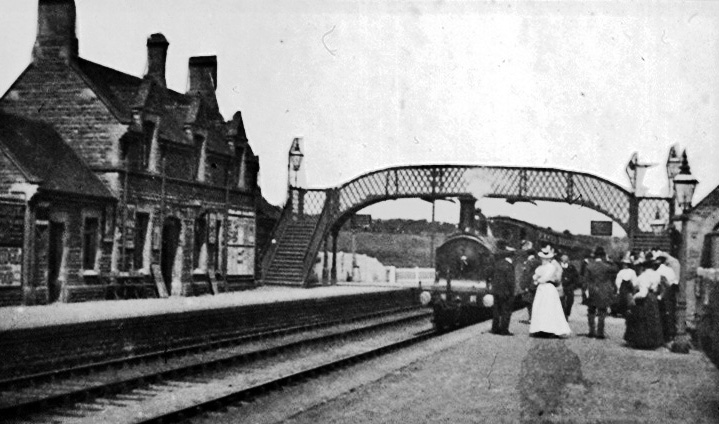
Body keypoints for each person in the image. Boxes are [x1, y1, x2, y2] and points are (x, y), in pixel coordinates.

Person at [529, 245, 571, 337]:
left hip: (548, 288)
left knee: (549, 308)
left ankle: (550, 329)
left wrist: (537, 281)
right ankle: (540, 328)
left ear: (548, 259)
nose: (543, 260)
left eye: (545, 258)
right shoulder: (540, 267)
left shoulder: (551, 267)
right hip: (542, 289)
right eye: (542, 258)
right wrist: (537, 279)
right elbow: (534, 276)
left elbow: (544, 278)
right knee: (540, 307)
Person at [624, 258, 664, 349]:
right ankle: (654, 341)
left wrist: (634, 297)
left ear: (643, 267)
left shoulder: (644, 276)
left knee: (642, 320)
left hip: (645, 300)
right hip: (653, 297)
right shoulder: (656, 275)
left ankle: (643, 342)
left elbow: (643, 293)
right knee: (653, 320)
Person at [583, 246, 617, 339]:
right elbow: (616, 269)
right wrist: (610, 261)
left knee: (591, 311)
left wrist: (585, 291)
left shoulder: (589, 266)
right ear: (603, 256)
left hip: (592, 290)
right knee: (602, 311)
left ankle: (591, 331)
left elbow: (585, 280)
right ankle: (600, 332)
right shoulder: (606, 266)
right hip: (603, 291)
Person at [490, 250, 516, 336]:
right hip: (506, 292)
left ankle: (494, 329)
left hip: (496, 291)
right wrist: (512, 292)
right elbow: (510, 281)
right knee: (506, 311)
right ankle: (504, 330)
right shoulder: (509, 266)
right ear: (512, 257)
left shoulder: (498, 264)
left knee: (496, 310)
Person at [655, 253, 678, 343]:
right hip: (671, 293)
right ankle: (671, 333)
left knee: (663, 314)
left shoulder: (659, 271)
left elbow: (659, 284)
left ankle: (664, 335)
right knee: (670, 313)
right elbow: (674, 281)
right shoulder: (670, 270)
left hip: (662, 294)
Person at [519, 249, 540, 323]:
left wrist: (525, 286)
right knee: (534, 302)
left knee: (529, 302)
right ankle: (534, 318)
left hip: (529, 285)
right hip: (536, 284)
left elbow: (528, 275)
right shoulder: (538, 262)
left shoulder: (529, 262)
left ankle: (531, 318)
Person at [613, 253, 637, 317]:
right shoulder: (622, 272)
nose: (625, 265)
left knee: (627, 299)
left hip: (628, 287)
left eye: (626, 264)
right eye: (624, 264)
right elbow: (618, 282)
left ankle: (626, 311)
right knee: (625, 299)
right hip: (624, 288)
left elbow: (634, 281)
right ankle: (625, 311)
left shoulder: (630, 272)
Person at [559, 253, 580, 320]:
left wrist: (573, 286)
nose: (564, 261)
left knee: (570, 301)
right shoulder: (558, 266)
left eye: (566, 260)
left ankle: (567, 313)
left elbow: (576, 277)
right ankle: (563, 316)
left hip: (569, 287)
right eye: (563, 260)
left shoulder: (572, 267)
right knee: (561, 302)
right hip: (560, 287)